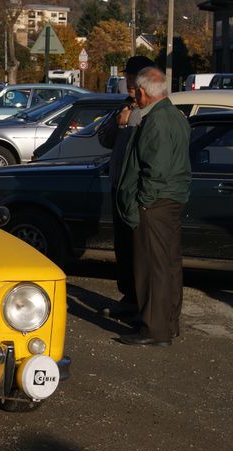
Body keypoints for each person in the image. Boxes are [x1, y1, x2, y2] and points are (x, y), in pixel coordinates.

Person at [116, 67, 191, 348]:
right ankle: (167, 322)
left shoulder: (157, 121)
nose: (134, 95)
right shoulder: (176, 116)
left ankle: (154, 329)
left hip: (155, 203)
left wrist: (143, 203)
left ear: (144, 92)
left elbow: (154, 170)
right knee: (168, 265)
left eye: (136, 90)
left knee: (152, 267)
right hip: (170, 199)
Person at [98, 55, 155, 317]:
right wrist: (119, 123)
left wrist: (126, 126)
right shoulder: (123, 106)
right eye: (128, 77)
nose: (130, 82)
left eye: (134, 77)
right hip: (118, 186)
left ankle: (138, 301)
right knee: (122, 247)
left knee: (137, 249)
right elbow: (103, 137)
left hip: (136, 190)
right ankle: (128, 296)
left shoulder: (150, 110)